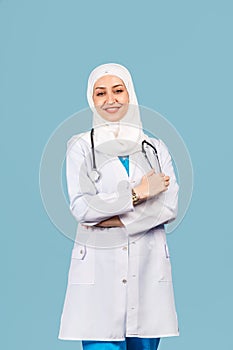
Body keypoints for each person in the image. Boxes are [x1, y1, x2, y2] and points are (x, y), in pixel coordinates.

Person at [58, 63, 179, 350]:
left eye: (118, 90)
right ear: (92, 99)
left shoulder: (155, 147)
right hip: (99, 274)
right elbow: (82, 208)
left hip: (147, 269)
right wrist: (138, 193)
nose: (110, 99)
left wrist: (109, 217)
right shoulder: (80, 147)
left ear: (130, 93)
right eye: (100, 93)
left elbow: (168, 207)